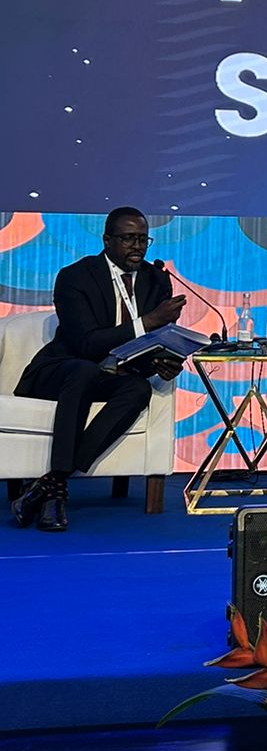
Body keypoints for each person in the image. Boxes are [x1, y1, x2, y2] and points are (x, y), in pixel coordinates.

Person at [11, 208, 187, 532]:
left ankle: (52, 483)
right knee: (83, 371)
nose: (137, 247)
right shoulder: (75, 277)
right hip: (60, 369)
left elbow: (152, 342)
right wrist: (148, 321)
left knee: (138, 389)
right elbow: (86, 343)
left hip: (111, 374)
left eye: (143, 239)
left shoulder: (156, 280)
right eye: (128, 239)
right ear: (107, 240)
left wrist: (163, 362)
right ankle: (55, 496)